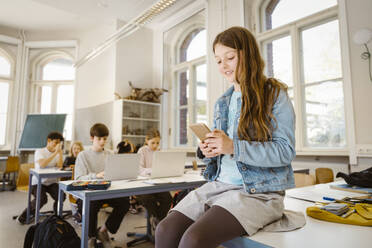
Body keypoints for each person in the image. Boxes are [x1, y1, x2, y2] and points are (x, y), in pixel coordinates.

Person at [155, 26, 296, 248]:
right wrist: (207, 150)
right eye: (218, 61)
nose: (223, 66)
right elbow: (220, 155)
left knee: (194, 239)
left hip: (259, 192)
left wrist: (233, 147)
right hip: (219, 186)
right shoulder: (223, 102)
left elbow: (285, 152)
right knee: (164, 230)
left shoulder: (275, 94)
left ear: (247, 54)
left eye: (229, 57)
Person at [74, 123, 130, 248]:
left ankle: (103, 230)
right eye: (99, 139)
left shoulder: (110, 154)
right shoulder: (83, 155)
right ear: (91, 138)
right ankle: (91, 237)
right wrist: (96, 175)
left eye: (104, 139)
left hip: (106, 191)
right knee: (91, 205)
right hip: (88, 192)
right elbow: (78, 179)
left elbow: (115, 173)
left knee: (125, 202)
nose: (102, 142)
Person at [16, 132, 66, 224]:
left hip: (51, 182)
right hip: (37, 182)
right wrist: (55, 153)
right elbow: (42, 164)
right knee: (42, 199)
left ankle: (57, 216)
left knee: (61, 196)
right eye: (55, 142)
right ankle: (24, 215)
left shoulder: (57, 153)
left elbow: (59, 166)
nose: (57, 145)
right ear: (48, 141)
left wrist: (60, 153)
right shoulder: (40, 151)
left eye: (59, 143)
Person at [136, 129, 172, 232]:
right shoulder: (142, 151)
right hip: (142, 184)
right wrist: (153, 170)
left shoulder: (159, 151)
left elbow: (162, 167)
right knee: (148, 198)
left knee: (168, 198)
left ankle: (157, 219)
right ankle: (158, 220)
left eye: (157, 143)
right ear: (147, 140)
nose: (155, 146)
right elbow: (140, 170)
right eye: (153, 143)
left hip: (156, 183)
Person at [116, 139, 141, 214]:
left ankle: (134, 202)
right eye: (130, 153)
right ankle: (132, 203)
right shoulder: (118, 161)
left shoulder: (130, 161)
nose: (131, 155)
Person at [62, 141, 84, 223]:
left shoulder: (83, 159)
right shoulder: (68, 159)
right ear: (71, 149)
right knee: (77, 196)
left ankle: (79, 214)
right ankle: (78, 214)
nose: (76, 150)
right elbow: (63, 168)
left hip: (81, 182)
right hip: (71, 182)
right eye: (74, 148)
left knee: (81, 197)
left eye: (78, 148)